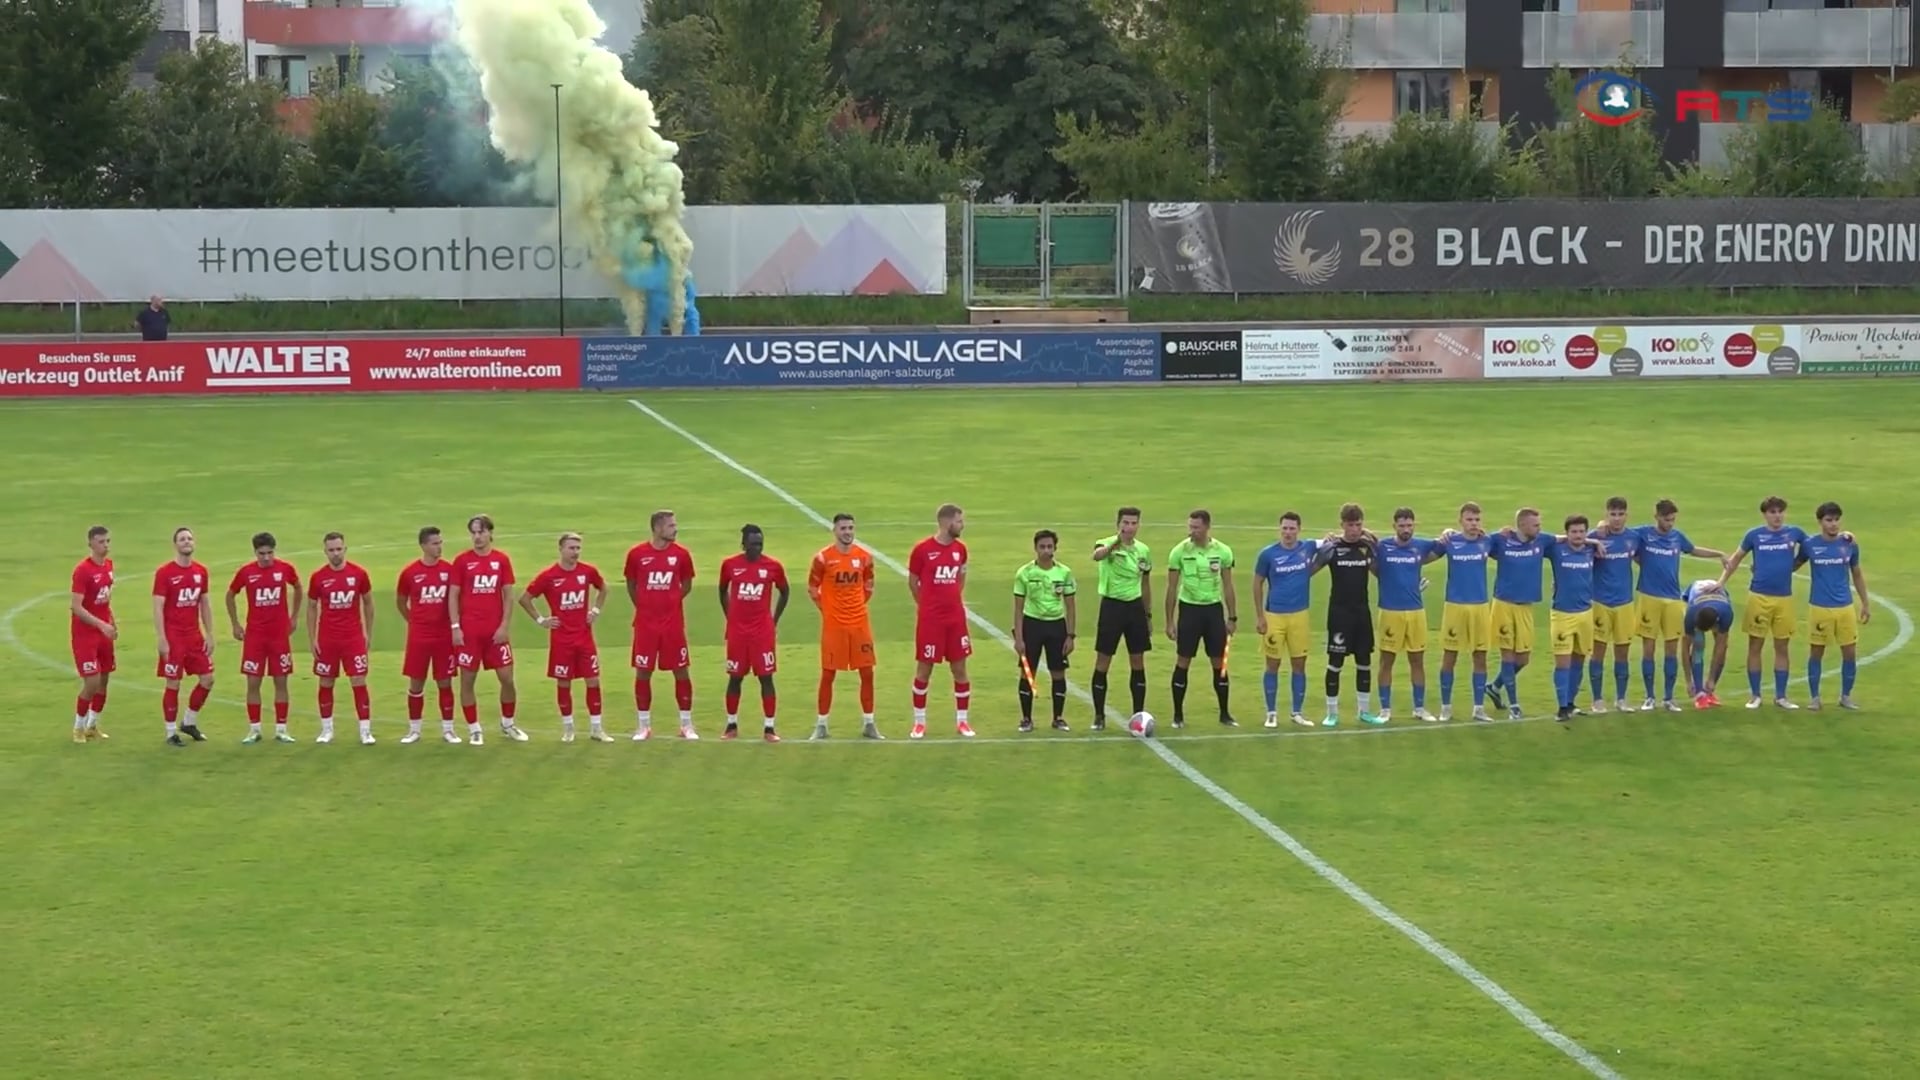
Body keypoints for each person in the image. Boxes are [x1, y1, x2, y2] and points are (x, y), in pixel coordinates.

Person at [1633, 499, 1729, 712]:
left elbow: (1693, 550)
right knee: (1648, 649)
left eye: (1673, 520)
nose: (1670, 524)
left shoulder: (1677, 537)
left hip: (1674, 599)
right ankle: (1649, 697)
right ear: (1656, 516)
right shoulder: (1642, 534)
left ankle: (1668, 698)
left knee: (1671, 649)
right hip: (1649, 597)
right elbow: (1620, 536)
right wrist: (1602, 526)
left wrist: (1719, 554)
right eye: (1666, 520)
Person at [1718, 495, 1809, 710]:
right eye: (1772, 512)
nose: (1777, 516)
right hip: (1759, 597)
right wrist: (1720, 582)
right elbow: (1736, 558)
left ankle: (1781, 696)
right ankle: (1755, 695)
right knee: (1755, 646)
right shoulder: (1754, 535)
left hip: (1784, 598)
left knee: (1782, 647)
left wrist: (1846, 536)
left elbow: (1814, 546)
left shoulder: (1794, 533)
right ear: (1765, 515)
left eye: (1780, 512)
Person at [520, 532, 611, 742]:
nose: (575, 553)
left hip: (584, 638)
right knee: (563, 682)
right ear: (560, 549)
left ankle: (596, 728)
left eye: (578, 548)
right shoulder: (549, 576)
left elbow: (603, 588)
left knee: (593, 680)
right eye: (571, 548)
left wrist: (595, 610)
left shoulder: (587, 572)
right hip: (562, 640)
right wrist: (541, 620)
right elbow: (525, 599)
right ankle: (568, 728)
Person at [451, 514, 526, 743]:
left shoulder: (501, 560)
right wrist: (455, 627)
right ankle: (474, 728)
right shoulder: (462, 561)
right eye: (473, 532)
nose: (477, 537)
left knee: (507, 679)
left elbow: (508, 596)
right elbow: (453, 596)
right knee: (467, 680)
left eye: (481, 532)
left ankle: (508, 724)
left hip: (495, 632)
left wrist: (504, 626)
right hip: (469, 633)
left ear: (490, 533)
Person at [625, 510, 698, 740]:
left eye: (675, 525)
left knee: (681, 670)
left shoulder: (682, 555)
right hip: (646, 626)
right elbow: (631, 583)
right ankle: (643, 726)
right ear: (657, 528)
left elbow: (686, 584)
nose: (675, 529)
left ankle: (686, 725)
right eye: (670, 526)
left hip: (673, 625)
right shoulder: (637, 555)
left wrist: (672, 601)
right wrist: (645, 606)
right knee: (643, 671)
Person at [808, 513, 880, 740]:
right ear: (835, 531)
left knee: (867, 673)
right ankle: (821, 725)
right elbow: (812, 588)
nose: (847, 532)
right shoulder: (823, 558)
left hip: (859, 624)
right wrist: (827, 610)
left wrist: (858, 606)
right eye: (843, 528)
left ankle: (869, 723)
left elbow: (869, 584)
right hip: (834, 626)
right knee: (828, 674)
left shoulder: (865, 557)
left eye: (850, 528)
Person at [225, 531, 302, 744]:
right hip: (255, 637)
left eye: (269, 553)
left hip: (279, 636)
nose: (266, 558)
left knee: (281, 681)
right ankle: (254, 729)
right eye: (262, 554)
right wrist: (235, 624)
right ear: (255, 552)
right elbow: (230, 594)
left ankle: (281, 729)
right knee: (253, 682)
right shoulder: (247, 572)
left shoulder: (285, 569)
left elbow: (297, 586)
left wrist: (294, 617)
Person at [1164, 509, 1237, 728]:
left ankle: (1224, 714)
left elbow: (1228, 585)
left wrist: (1232, 617)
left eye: (1196, 527)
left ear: (1207, 527)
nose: (1192, 531)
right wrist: (1169, 621)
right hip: (1189, 611)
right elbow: (1171, 587)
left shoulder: (1223, 551)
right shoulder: (1179, 551)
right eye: (1190, 527)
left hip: (1213, 611)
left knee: (1219, 664)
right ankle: (1178, 716)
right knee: (1183, 661)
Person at [1311, 504, 1381, 727]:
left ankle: (1364, 711)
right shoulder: (1332, 547)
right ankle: (1332, 713)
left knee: (1364, 661)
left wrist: (1375, 541)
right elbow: (1310, 570)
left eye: (1358, 524)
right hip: (1339, 613)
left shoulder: (1366, 546)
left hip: (1362, 612)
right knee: (1335, 662)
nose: (1354, 529)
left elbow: (1381, 572)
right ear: (1342, 525)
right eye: (1350, 525)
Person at [908, 504, 974, 739]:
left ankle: (963, 722)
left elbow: (961, 578)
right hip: (931, 621)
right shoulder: (922, 550)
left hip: (955, 620)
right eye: (959, 521)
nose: (962, 525)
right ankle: (919, 723)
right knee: (924, 670)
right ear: (947, 523)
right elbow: (913, 582)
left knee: (960, 669)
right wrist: (926, 606)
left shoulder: (961, 550)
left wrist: (952, 601)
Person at [1374, 508, 1444, 723]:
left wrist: (1448, 531)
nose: (1406, 529)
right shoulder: (1382, 546)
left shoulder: (1420, 546)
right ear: (1394, 526)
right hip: (1389, 612)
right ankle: (1385, 709)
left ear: (1414, 525)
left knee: (1417, 661)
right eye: (1402, 526)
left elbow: (1442, 546)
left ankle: (1419, 708)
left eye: (1409, 525)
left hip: (1415, 612)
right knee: (1387, 661)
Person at [719, 524, 789, 741]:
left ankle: (769, 728)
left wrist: (773, 620)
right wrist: (730, 617)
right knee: (735, 678)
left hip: (762, 633)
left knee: (766, 678)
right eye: (752, 544)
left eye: (760, 544)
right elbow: (722, 590)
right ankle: (731, 725)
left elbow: (785, 591)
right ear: (744, 544)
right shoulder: (730, 565)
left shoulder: (773, 566)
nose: (757, 548)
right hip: (738, 633)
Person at [1481, 508, 1552, 721]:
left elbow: (1567, 538)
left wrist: (1598, 536)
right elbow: (1477, 538)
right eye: (1535, 525)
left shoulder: (1542, 541)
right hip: (1504, 605)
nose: (1539, 528)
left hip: (1526, 607)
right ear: (1521, 525)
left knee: (1523, 658)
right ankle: (1514, 706)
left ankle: (1494, 687)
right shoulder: (1501, 540)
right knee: (1508, 656)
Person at [306, 532, 375, 745]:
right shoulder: (318, 577)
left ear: (345, 549)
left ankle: (365, 730)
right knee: (326, 681)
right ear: (325, 551)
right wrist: (312, 638)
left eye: (339, 549)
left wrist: (368, 634)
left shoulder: (359, 574)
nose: (336, 553)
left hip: (353, 638)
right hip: (328, 639)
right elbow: (311, 607)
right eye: (331, 550)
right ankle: (326, 729)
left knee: (358, 680)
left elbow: (368, 603)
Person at [1799, 502, 1869, 711]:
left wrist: (1865, 602)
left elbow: (1856, 572)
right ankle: (1814, 698)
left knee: (1849, 652)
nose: (1833, 524)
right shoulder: (1810, 544)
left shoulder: (1849, 544)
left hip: (1845, 606)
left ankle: (1845, 696)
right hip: (1819, 607)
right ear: (1820, 522)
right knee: (1816, 652)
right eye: (1829, 520)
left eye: (1836, 519)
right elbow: (1793, 565)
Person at [1089, 507, 1153, 731]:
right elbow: (1097, 556)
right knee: (1103, 661)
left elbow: (1145, 584)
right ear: (1118, 524)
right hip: (1112, 607)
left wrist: (1148, 615)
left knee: (1138, 661)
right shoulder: (1106, 543)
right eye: (1125, 523)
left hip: (1134, 608)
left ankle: (1138, 714)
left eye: (1134, 523)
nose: (1129, 527)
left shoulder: (1143, 550)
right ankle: (1099, 715)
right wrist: (1116, 542)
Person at [1252, 511, 1318, 728]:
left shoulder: (1307, 547)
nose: (1288, 532)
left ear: (1299, 529)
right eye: (1284, 528)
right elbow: (1257, 584)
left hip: (1300, 615)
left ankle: (1297, 713)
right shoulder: (1268, 554)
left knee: (1299, 664)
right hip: (1275, 616)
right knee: (1273, 664)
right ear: (1279, 529)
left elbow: (1330, 542)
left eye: (1292, 528)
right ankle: (1271, 713)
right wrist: (1260, 616)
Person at [397, 526, 461, 744]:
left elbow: (456, 599)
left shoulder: (449, 570)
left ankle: (448, 729)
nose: (439, 547)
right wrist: (413, 621)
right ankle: (414, 730)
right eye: (435, 543)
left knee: (445, 682)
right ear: (423, 545)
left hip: (443, 636)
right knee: (417, 684)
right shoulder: (410, 573)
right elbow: (400, 601)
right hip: (419, 637)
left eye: (440, 542)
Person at [152, 527, 214, 746]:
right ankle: (170, 733)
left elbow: (204, 603)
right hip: (174, 638)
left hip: (194, 636)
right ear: (175, 544)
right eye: (182, 539)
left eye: (189, 538)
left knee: (208, 678)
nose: (186, 542)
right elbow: (158, 606)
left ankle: (189, 721)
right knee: (173, 683)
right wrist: (161, 637)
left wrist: (210, 634)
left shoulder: (201, 571)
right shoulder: (165, 573)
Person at [1011, 529, 1077, 733]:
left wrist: (1070, 635)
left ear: (1055, 548)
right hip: (1033, 625)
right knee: (1027, 671)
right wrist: (1019, 638)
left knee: (1058, 672)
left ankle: (1058, 718)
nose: (1046, 550)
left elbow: (1071, 606)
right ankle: (1026, 719)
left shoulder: (1064, 572)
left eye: (1050, 547)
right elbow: (1018, 608)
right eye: (1042, 547)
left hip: (1057, 625)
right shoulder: (1025, 573)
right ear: (1035, 548)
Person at [1436, 502, 1496, 722]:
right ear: (1460, 521)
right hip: (1455, 606)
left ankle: (1479, 708)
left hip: (1480, 606)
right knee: (1449, 656)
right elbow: (1424, 555)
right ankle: (1446, 707)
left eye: (1477, 520)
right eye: (1469, 519)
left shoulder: (1488, 541)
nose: (1474, 524)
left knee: (1480, 656)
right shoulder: (1449, 541)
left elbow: (1518, 542)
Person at [1586, 496, 1642, 714]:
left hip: (1625, 603)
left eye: (1620, 514)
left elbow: (1639, 557)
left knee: (1622, 653)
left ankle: (1621, 699)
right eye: (1612, 514)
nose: (1616, 519)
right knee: (1598, 652)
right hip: (1601, 602)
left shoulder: (1634, 537)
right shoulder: (1595, 536)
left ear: (1627, 515)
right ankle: (1597, 699)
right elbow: (1577, 548)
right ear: (1606, 515)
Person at [1545, 516, 1602, 722]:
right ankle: (1561, 708)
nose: (1578, 536)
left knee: (1579, 660)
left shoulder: (1590, 550)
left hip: (1586, 612)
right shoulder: (1556, 549)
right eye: (1574, 532)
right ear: (1566, 533)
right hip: (1562, 614)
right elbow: (1541, 541)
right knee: (1563, 663)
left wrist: (1593, 542)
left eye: (1581, 532)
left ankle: (1570, 703)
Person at [68, 525, 117, 743]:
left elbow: (105, 600)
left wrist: (112, 622)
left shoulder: (108, 566)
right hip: (85, 634)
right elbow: (76, 607)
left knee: (104, 679)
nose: (105, 545)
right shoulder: (82, 571)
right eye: (100, 542)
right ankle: (77, 727)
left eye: (107, 541)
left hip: (104, 632)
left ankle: (92, 725)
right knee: (92, 682)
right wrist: (101, 625)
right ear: (90, 543)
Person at [1682, 579, 1735, 707]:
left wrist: (1711, 678)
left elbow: (1720, 646)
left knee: (1723, 647)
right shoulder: (1691, 614)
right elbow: (1684, 648)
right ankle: (1700, 693)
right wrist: (1689, 681)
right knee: (1698, 646)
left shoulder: (1726, 613)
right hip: (1695, 592)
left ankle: (1710, 690)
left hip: (1720, 598)